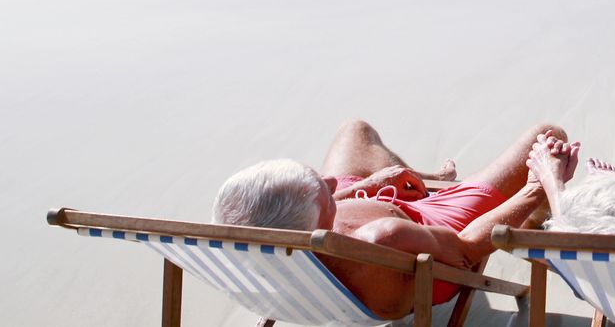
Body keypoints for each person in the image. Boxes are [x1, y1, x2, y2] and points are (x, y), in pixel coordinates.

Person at [212, 118, 576, 320]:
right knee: (546, 138)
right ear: (315, 225)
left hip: (368, 215)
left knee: (355, 131)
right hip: (435, 229)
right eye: (322, 189)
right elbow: (467, 249)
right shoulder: (386, 239)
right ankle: (532, 225)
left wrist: (366, 186)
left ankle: (416, 176)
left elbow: (321, 216)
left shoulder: (271, 248)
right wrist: (537, 185)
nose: (332, 182)